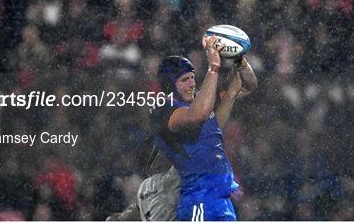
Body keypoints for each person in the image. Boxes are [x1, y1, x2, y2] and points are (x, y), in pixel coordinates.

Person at [106, 36, 257, 221]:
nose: (192, 84)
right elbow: (198, 114)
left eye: (193, 78)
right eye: (185, 80)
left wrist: (239, 59)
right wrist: (214, 68)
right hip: (184, 195)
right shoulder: (163, 110)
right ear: (170, 85)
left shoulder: (201, 100)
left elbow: (248, 85)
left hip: (213, 196)